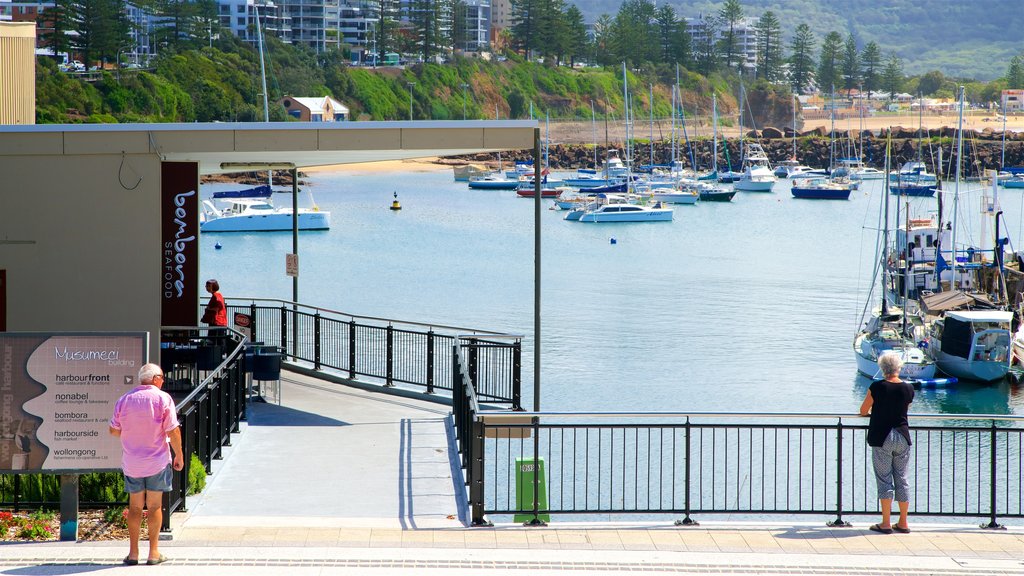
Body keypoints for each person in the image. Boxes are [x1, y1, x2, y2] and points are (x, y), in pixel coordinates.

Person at [109, 363, 184, 565]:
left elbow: (114, 430)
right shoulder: (162, 398)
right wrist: (180, 455)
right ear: (155, 379)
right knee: (154, 507)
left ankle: (133, 553)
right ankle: (153, 553)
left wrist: (131, 434)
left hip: (132, 462)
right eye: (162, 376)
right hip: (157, 462)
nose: (163, 380)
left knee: (134, 508)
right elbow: (173, 431)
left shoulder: (125, 399)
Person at [859, 351, 914, 534]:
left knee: (884, 480)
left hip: (882, 437)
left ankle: (885, 522)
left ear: (882, 369)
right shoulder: (908, 388)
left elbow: (863, 409)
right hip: (902, 437)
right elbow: (906, 408)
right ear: (899, 368)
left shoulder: (877, 387)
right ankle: (903, 522)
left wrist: (874, 411)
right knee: (902, 478)